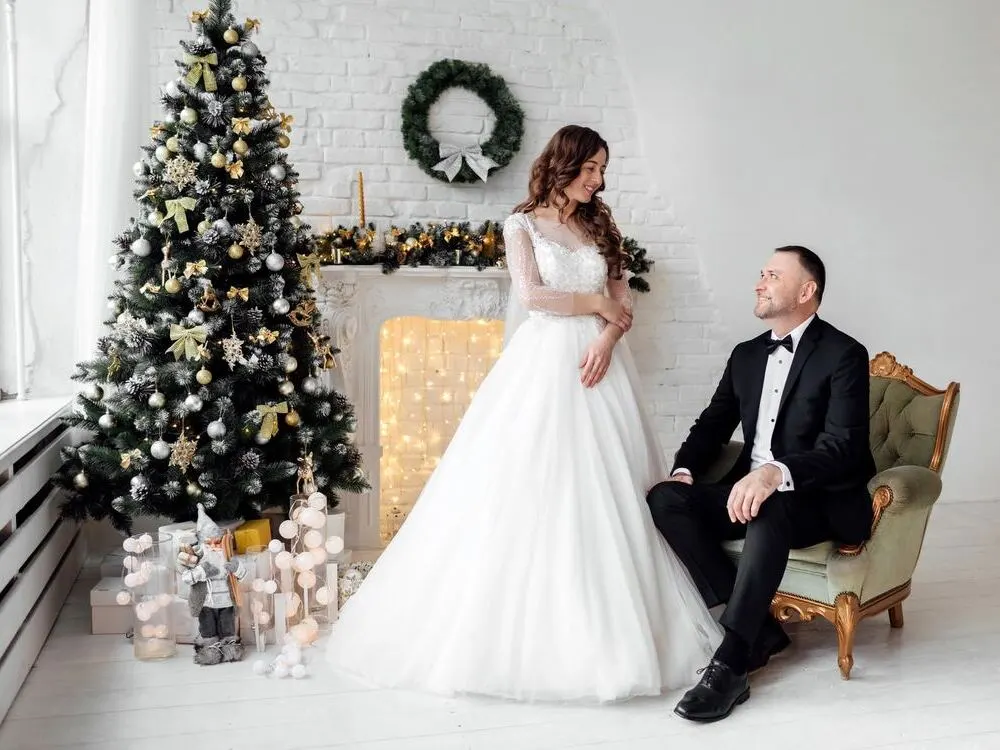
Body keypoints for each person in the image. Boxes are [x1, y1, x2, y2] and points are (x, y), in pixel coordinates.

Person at [324, 124, 722, 702]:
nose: (598, 181)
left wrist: (607, 338)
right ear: (563, 165)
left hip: (599, 362)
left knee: (608, 488)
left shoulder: (600, 223)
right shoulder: (522, 224)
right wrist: (594, 304)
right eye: (589, 170)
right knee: (531, 483)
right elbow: (533, 295)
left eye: (603, 170)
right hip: (543, 363)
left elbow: (624, 301)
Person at [646, 245, 875, 722]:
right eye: (761, 273)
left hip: (819, 499)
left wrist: (775, 472)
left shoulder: (844, 354)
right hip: (748, 489)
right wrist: (685, 470)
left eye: (773, 274)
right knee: (667, 499)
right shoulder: (747, 354)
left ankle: (731, 662)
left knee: (770, 505)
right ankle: (763, 629)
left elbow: (843, 448)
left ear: (806, 290)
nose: (759, 282)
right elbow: (713, 424)